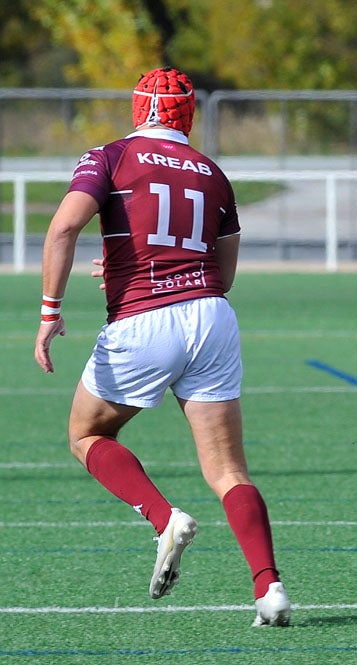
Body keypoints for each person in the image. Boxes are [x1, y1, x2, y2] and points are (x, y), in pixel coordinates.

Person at [33, 67, 291, 626]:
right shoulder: (212, 172)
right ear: (188, 114)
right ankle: (269, 589)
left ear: (137, 108)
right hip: (211, 317)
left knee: (87, 434)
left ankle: (162, 516)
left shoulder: (109, 156)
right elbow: (222, 273)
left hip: (144, 320)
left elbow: (62, 229)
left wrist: (51, 312)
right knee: (228, 472)